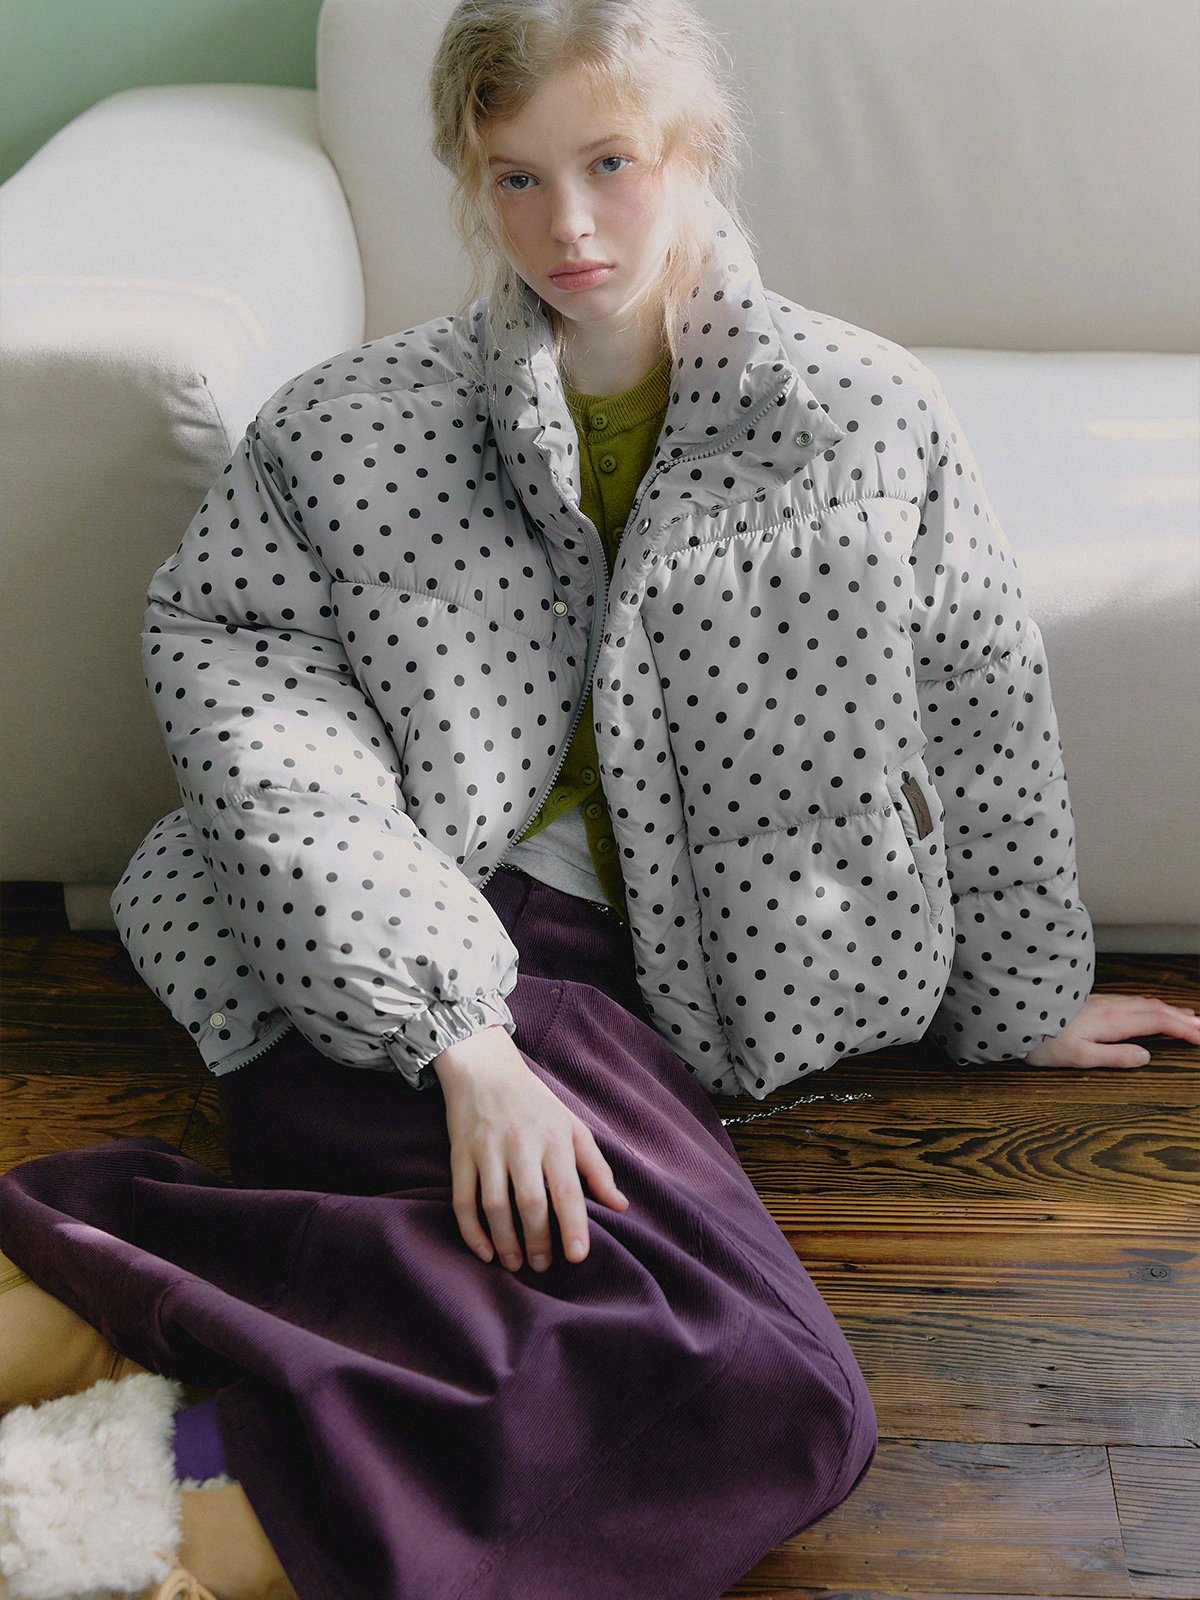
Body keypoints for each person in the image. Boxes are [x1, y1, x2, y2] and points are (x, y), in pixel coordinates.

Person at [2, 3, 1197, 1597]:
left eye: (612, 163)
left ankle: (79, 1316)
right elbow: (266, 749)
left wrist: (1019, 995)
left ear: (696, 153)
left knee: (659, 1357)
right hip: (368, 969)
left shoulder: (862, 416)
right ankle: (165, 1526)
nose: (568, 224)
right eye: (516, 178)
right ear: (467, 180)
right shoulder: (344, 435)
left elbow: (981, 714)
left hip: (651, 1000)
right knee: (772, 1393)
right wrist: (467, 1042)